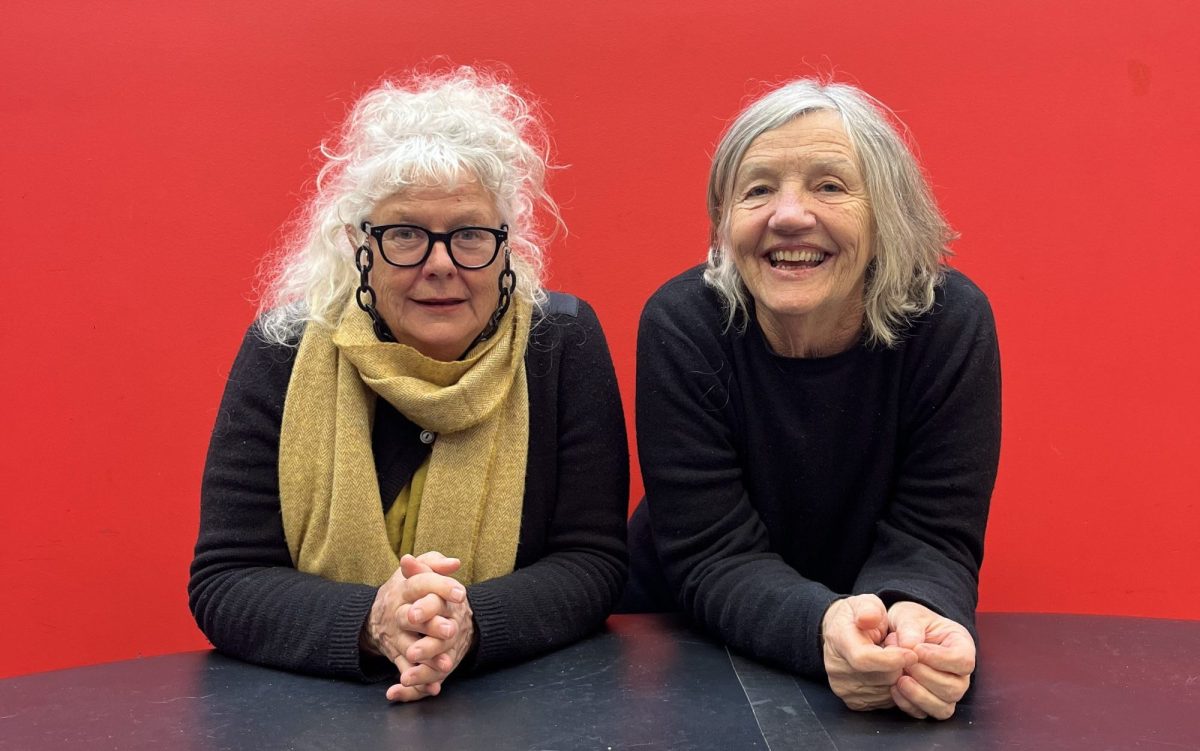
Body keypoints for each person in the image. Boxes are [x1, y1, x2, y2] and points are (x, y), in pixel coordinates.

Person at [189, 68, 629, 702]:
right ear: (358, 248)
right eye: (405, 235)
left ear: (509, 247)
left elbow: (593, 562)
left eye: (471, 235)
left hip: (518, 705)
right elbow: (226, 580)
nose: (441, 264)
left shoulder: (560, 342)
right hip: (313, 712)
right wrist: (376, 622)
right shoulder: (282, 349)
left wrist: (467, 624)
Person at [625, 78, 1000, 720]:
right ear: (724, 222)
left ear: (887, 214)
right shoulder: (683, 324)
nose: (790, 215)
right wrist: (821, 629)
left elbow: (934, 535)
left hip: (872, 637)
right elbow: (713, 552)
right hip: (681, 641)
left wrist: (917, 621)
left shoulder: (949, 321)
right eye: (759, 189)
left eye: (830, 186)